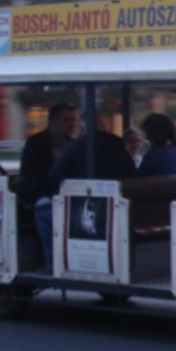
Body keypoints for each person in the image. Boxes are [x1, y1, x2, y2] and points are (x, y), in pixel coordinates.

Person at [34, 112, 137, 268]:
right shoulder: (117, 145)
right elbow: (132, 173)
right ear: (104, 126)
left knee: (42, 209)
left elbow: (55, 176)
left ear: (82, 127)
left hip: (89, 209)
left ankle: (53, 262)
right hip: (121, 206)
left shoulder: (77, 145)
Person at [17, 103, 78, 207]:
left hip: (68, 196)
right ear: (53, 121)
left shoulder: (73, 145)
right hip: (39, 197)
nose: (71, 124)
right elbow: (28, 176)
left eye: (73, 120)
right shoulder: (35, 143)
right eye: (66, 120)